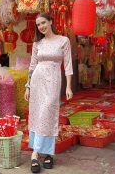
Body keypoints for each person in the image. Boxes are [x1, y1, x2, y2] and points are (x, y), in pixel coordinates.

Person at [24, 13, 73, 173]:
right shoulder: (38, 43)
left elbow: (68, 65)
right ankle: (43, 153)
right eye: (38, 25)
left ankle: (37, 152)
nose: (41, 27)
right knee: (38, 114)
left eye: (43, 22)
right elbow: (32, 66)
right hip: (37, 81)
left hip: (53, 81)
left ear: (51, 22)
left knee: (48, 114)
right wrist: (27, 86)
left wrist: (68, 87)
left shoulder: (63, 40)